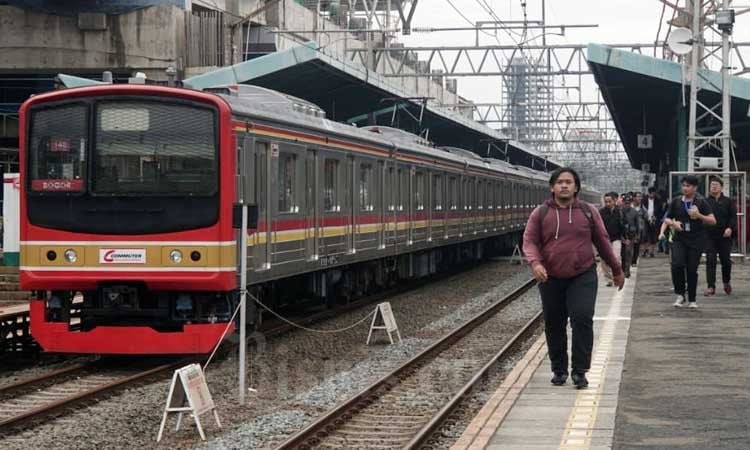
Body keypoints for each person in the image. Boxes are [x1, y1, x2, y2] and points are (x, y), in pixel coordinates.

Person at [523, 167, 624, 390]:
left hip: (583, 274)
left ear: (576, 187)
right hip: (550, 276)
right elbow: (529, 241)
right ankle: (559, 369)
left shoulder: (588, 211)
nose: (564, 185)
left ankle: (580, 371)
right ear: (552, 187)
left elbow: (602, 241)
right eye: (560, 182)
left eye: (569, 182)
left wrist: (617, 269)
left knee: (582, 317)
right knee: (554, 322)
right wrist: (536, 263)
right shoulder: (540, 213)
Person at [659, 175, 716, 309]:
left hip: (696, 239)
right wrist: (673, 223)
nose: (685, 188)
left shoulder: (701, 202)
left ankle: (692, 298)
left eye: (688, 186)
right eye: (683, 185)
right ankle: (680, 294)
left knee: (691, 268)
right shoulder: (676, 201)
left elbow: (713, 220)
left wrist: (699, 216)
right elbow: (665, 219)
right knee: (677, 264)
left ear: (695, 188)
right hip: (679, 238)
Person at [704, 177, 736, 296]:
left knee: (726, 261)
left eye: (716, 184)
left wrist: (730, 228)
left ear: (721, 187)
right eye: (712, 184)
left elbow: (733, 217)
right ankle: (711, 286)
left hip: (724, 236)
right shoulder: (705, 201)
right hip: (709, 236)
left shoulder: (728, 201)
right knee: (710, 260)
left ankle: (726, 281)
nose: (713, 186)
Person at [599, 192, 625, 287]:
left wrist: (625, 237)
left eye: (609, 201)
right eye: (606, 201)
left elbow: (623, 225)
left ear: (614, 201)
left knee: (616, 258)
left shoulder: (620, 212)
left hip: (616, 238)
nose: (607, 203)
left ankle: (617, 276)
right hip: (604, 239)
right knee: (604, 260)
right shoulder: (601, 212)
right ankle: (608, 279)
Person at [620, 195, 641, 278]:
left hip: (631, 235)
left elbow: (638, 225)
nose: (627, 205)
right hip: (621, 235)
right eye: (625, 203)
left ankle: (627, 271)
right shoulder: (619, 211)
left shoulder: (634, 212)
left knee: (628, 253)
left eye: (628, 203)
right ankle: (622, 270)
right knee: (622, 254)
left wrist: (637, 236)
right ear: (623, 203)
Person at [642, 187, 663, 257]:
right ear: (648, 193)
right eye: (651, 194)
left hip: (654, 220)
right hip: (646, 219)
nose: (652, 195)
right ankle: (645, 250)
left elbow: (660, 211)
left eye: (653, 194)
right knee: (645, 235)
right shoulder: (644, 200)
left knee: (653, 236)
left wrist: (656, 217)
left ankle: (652, 251)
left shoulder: (658, 200)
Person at [631, 192, 649, 266]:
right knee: (628, 247)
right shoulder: (630, 206)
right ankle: (628, 261)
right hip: (629, 230)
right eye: (638, 197)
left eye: (641, 197)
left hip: (639, 230)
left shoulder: (642, 207)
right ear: (634, 198)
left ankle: (634, 261)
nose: (640, 198)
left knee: (636, 246)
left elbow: (646, 217)